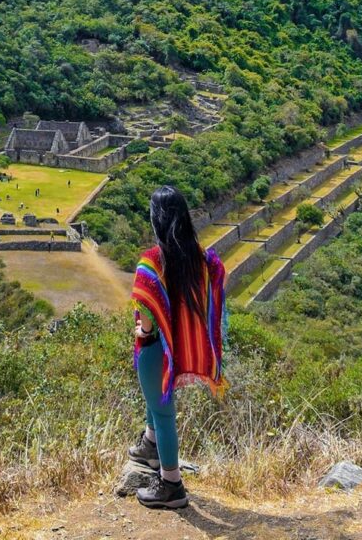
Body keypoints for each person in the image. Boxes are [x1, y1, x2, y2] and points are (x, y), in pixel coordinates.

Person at [129, 185, 226, 510]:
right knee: (156, 401)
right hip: (178, 347)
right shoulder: (199, 257)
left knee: (162, 411)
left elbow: (146, 312)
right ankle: (150, 444)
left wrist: (143, 329)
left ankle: (171, 484)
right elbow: (217, 281)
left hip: (155, 346)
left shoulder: (153, 260)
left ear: (156, 219)